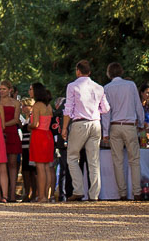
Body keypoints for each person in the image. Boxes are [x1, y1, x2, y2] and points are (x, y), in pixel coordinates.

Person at [61, 60, 108, 202]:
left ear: (78, 71)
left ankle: (78, 189)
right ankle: (94, 195)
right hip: (95, 123)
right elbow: (106, 108)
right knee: (94, 161)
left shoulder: (72, 86)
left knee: (72, 157)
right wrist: (95, 111)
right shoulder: (99, 87)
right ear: (90, 72)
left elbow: (68, 108)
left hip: (79, 123)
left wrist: (64, 128)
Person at [102, 63, 142, 201]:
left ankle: (122, 193)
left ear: (109, 73)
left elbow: (106, 112)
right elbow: (138, 105)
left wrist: (105, 132)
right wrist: (141, 123)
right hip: (130, 125)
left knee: (117, 161)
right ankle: (137, 192)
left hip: (114, 125)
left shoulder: (106, 88)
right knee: (134, 160)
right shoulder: (131, 85)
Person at [27, 83, 56, 202]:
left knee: (40, 167)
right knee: (47, 166)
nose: (30, 91)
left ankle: (42, 196)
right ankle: (48, 195)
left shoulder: (37, 105)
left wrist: (28, 125)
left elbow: (36, 124)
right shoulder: (48, 106)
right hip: (47, 135)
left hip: (39, 135)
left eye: (31, 89)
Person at [0, 81, 23, 200]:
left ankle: (12, 193)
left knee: (13, 164)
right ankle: (2, 194)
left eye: (4, 89)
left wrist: (3, 124)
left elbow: (16, 119)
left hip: (12, 133)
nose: (1, 91)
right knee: (0, 164)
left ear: (10, 90)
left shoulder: (16, 103)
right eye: (0, 89)